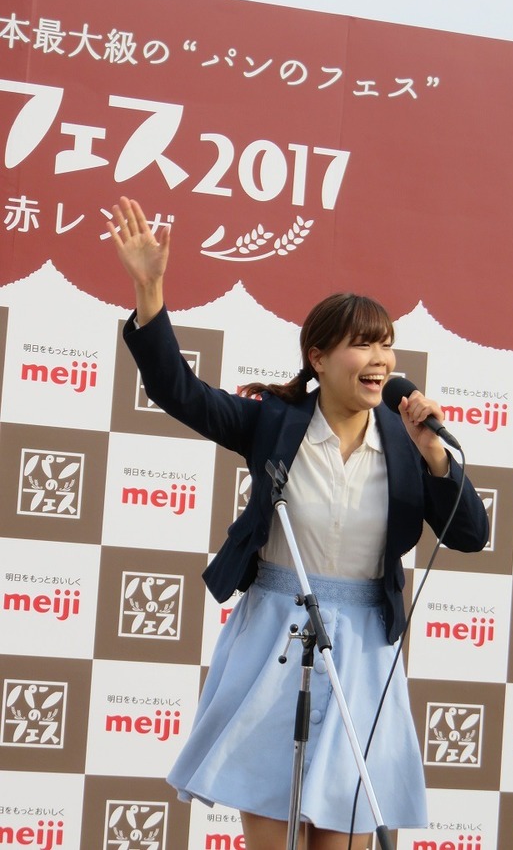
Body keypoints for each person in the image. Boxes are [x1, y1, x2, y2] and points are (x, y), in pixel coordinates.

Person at [108, 196, 489, 850]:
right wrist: (150, 291)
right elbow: (179, 392)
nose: (381, 357)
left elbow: (470, 535)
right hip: (274, 634)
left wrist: (434, 456)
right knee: (271, 824)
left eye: (387, 343)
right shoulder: (273, 423)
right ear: (318, 356)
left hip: (365, 648)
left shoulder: (407, 444)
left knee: (342, 834)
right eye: (363, 343)